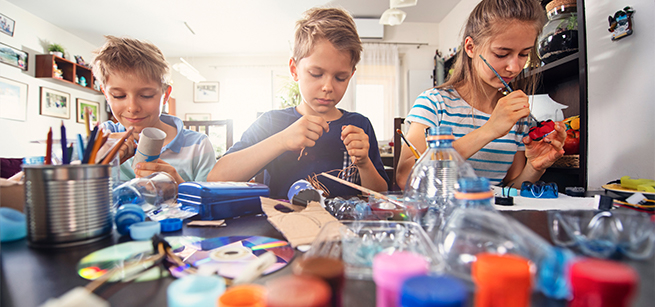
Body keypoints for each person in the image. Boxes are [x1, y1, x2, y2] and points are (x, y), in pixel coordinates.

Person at [207, 7, 389, 198]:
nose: (327, 86)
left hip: (342, 227)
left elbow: (380, 196)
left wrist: (364, 163)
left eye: (340, 77)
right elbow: (216, 179)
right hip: (284, 226)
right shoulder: (271, 122)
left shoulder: (360, 125)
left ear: (351, 76)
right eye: (316, 74)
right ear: (294, 70)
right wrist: (281, 140)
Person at [396, 0, 567, 189]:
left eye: (524, 54)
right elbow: (406, 179)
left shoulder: (517, 115)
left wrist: (535, 167)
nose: (515, 67)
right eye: (502, 54)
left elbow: (510, 188)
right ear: (470, 48)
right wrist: (489, 130)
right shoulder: (434, 103)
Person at [92, 35, 216, 184]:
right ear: (106, 95)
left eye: (146, 95)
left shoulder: (197, 146)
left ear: (165, 95)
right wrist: (98, 164)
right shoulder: (101, 138)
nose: (133, 108)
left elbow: (210, 203)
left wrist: (180, 188)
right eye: (119, 96)